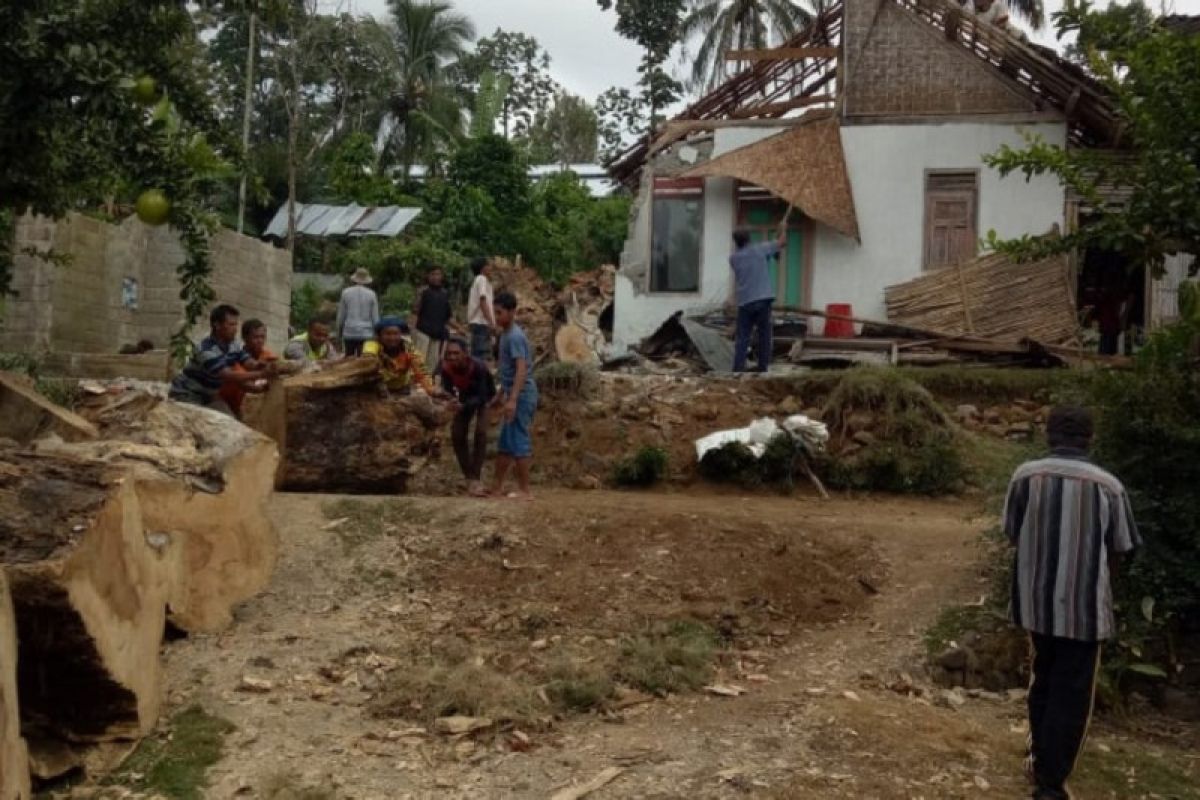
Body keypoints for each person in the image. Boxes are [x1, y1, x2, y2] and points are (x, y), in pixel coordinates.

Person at [1002, 406, 1140, 800]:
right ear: (1089, 439)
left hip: (1035, 606)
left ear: (1049, 436)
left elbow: (1013, 533)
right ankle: (1051, 784)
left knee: (1042, 680)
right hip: (1084, 612)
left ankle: (1039, 758)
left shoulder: (1025, 476)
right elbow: (1121, 548)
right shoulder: (1109, 486)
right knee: (1072, 695)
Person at [169, 304, 275, 416]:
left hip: (209, 395)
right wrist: (262, 373)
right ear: (217, 325)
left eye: (236, 325)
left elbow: (249, 363)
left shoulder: (233, 345)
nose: (235, 329)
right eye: (231, 325)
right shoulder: (206, 349)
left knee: (229, 421)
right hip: (187, 394)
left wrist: (265, 366)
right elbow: (228, 375)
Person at [490, 291, 538, 500]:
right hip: (513, 392)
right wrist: (501, 393)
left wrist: (513, 399)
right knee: (505, 442)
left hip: (523, 394)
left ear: (511, 312)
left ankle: (525, 490)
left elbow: (521, 369)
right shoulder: (505, 335)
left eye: (500, 312)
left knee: (518, 439)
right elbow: (507, 371)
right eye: (495, 312)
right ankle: (497, 487)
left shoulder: (515, 337)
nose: (497, 316)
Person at [439, 337, 496, 497]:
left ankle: (476, 476)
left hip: (484, 398)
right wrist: (450, 401)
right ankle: (469, 476)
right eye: (449, 354)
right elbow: (447, 389)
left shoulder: (478, 367)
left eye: (456, 353)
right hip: (464, 399)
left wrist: (463, 405)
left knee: (480, 433)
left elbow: (483, 395)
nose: (452, 357)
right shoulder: (446, 369)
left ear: (465, 354)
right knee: (457, 434)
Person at [729, 218, 787, 373]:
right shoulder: (760, 249)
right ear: (749, 238)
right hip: (763, 300)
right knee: (764, 336)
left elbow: (767, 253)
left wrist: (772, 247)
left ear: (736, 242)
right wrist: (783, 229)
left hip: (745, 303)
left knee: (742, 338)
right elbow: (781, 242)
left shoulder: (733, 259)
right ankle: (762, 368)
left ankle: (737, 369)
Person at [218, 318, 278, 419]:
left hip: (258, 410)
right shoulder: (234, 359)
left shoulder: (269, 357)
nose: (260, 341)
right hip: (231, 408)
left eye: (263, 337)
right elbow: (247, 385)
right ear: (245, 338)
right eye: (255, 337)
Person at [362, 316, 434, 396]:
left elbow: (421, 371)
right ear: (380, 336)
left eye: (396, 334)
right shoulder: (372, 345)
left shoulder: (408, 348)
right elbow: (367, 359)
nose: (392, 338)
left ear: (401, 335)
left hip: (401, 389)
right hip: (375, 389)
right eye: (387, 334)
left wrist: (431, 390)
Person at [413, 265, 453, 368]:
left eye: (438, 274)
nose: (436, 277)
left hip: (437, 334)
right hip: (423, 332)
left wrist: (460, 328)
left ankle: (428, 384)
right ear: (428, 276)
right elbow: (415, 312)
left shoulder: (444, 293)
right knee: (419, 363)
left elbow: (447, 316)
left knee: (432, 365)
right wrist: (412, 331)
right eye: (433, 274)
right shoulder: (423, 291)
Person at [337, 267, 380, 357]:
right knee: (363, 361)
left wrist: (339, 332)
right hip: (366, 333)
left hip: (349, 331)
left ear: (354, 279)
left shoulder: (346, 292)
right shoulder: (371, 294)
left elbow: (341, 315)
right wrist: (377, 333)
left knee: (349, 358)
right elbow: (375, 317)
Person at [466, 256, 496, 363]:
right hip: (481, 323)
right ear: (483, 268)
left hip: (479, 323)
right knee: (480, 355)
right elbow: (482, 300)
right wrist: (491, 322)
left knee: (478, 354)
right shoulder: (481, 279)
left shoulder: (480, 281)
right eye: (488, 265)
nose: (490, 268)